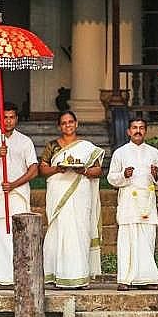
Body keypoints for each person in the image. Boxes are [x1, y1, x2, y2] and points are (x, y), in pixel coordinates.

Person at [0, 102, 38, 288]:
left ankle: (17, 277)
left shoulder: (25, 141)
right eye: (5, 117)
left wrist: (13, 185)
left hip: (17, 194)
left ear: (16, 119)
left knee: (16, 235)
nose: (8, 121)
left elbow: (33, 170)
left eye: (11, 117)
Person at [39, 110, 104, 288]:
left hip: (80, 193)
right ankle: (56, 274)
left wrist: (83, 170)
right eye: (64, 123)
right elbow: (42, 169)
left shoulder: (86, 147)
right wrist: (57, 169)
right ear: (60, 126)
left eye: (70, 122)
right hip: (58, 191)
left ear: (76, 124)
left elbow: (97, 170)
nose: (68, 125)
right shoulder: (52, 146)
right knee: (58, 231)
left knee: (79, 230)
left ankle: (80, 276)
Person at [106, 116, 158, 290]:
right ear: (128, 131)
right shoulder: (120, 153)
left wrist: (156, 175)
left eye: (141, 127)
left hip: (147, 202)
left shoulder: (154, 153)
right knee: (127, 242)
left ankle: (148, 279)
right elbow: (111, 178)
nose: (138, 130)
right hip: (128, 202)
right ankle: (125, 279)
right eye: (134, 127)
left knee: (148, 240)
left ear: (145, 131)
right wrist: (124, 175)